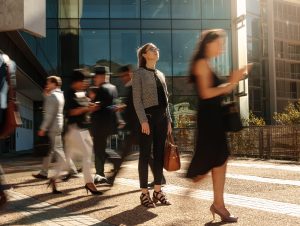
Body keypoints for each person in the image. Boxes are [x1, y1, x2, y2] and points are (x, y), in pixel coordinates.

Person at [186, 29, 251, 222]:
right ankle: (208, 195)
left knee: (220, 159)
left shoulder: (206, 63)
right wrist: (232, 82)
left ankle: (218, 203)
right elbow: (206, 93)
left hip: (213, 118)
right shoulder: (201, 64)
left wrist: (232, 81)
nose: (222, 48)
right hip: (209, 120)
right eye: (219, 44)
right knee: (216, 159)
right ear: (209, 44)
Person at [108, 65, 166, 187]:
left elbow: (138, 106)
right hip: (137, 128)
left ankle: (113, 177)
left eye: (124, 75)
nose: (122, 78)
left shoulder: (135, 86)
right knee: (142, 154)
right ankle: (160, 178)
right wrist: (123, 107)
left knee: (129, 153)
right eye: (121, 76)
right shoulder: (132, 86)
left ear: (129, 73)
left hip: (137, 128)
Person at [49, 69, 102, 195]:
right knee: (87, 155)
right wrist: (86, 108)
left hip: (82, 129)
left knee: (66, 160)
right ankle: (89, 183)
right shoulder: (68, 93)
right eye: (83, 81)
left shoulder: (80, 93)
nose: (84, 83)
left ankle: (53, 178)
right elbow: (71, 112)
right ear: (76, 81)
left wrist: (91, 107)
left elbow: (84, 109)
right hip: (74, 129)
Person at [132, 43, 172, 208]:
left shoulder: (161, 74)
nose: (156, 51)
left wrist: (169, 120)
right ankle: (144, 194)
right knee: (144, 155)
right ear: (144, 55)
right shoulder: (139, 73)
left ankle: (157, 191)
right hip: (147, 119)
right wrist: (143, 120)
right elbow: (137, 100)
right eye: (152, 49)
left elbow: (167, 100)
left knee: (159, 155)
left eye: (157, 49)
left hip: (162, 119)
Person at [32, 76, 78, 180]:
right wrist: (46, 95)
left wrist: (43, 128)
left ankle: (72, 170)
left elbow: (49, 114)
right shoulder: (60, 95)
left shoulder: (52, 96)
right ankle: (44, 172)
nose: (47, 85)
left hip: (52, 126)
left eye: (48, 83)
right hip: (58, 125)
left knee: (56, 150)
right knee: (50, 150)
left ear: (54, 84)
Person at [91, 65, 122, 184]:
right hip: (108, 124)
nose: (94, 79)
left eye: (95, 77)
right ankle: (100, 174)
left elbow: (99, 106)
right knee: (101, 149)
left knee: (99, 150)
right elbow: (112, 106)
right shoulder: (114, 88)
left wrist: (92, 105)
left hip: (100, 125)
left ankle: (103, 171)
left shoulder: (101, 89)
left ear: (101, 76)